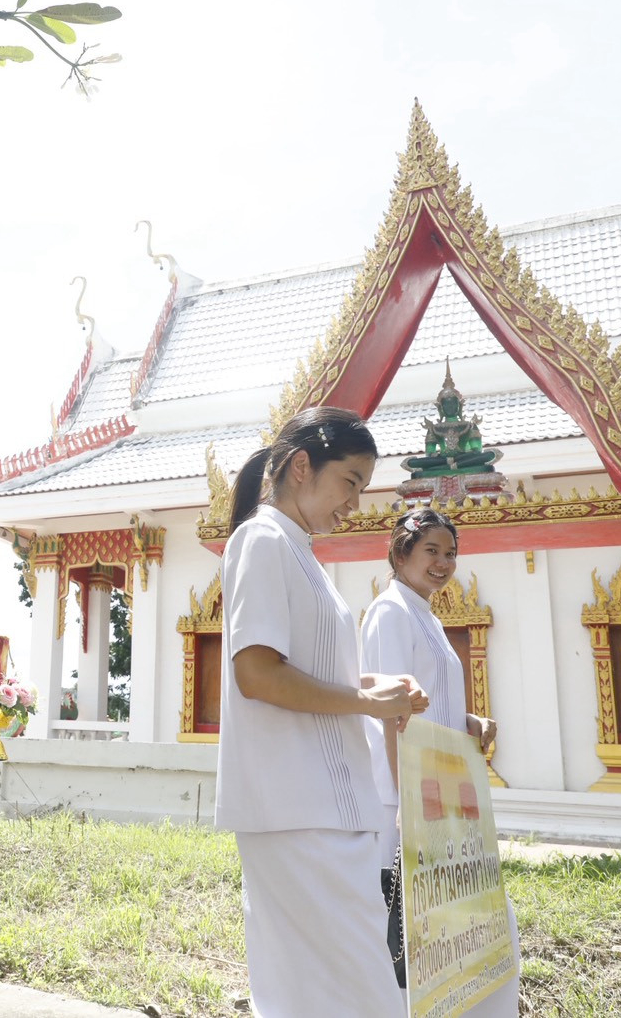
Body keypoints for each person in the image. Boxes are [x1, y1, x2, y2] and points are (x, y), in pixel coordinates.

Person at [215, 407, 428, 1016]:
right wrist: (366, 699)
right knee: (356, 992)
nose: (355, 503)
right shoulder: (261, 538)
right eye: (351, 482)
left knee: (320, 991)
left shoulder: (299, 550)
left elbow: (307, 671)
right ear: (303, 466)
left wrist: (375, 687)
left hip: (327, 805)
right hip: (295, 806)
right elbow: (257, 674)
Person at [363, 507, 521, 1014]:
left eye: (450, 553)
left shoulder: (424, 614)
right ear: (400, 552)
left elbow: (425, 706)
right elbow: (390, 714)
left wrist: (466, 721)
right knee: (411, 940)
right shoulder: (390, 612)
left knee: (462, 930)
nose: (443, 562)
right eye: (431, 550)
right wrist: (405, 805)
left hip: (442, 799)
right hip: (406, 803)